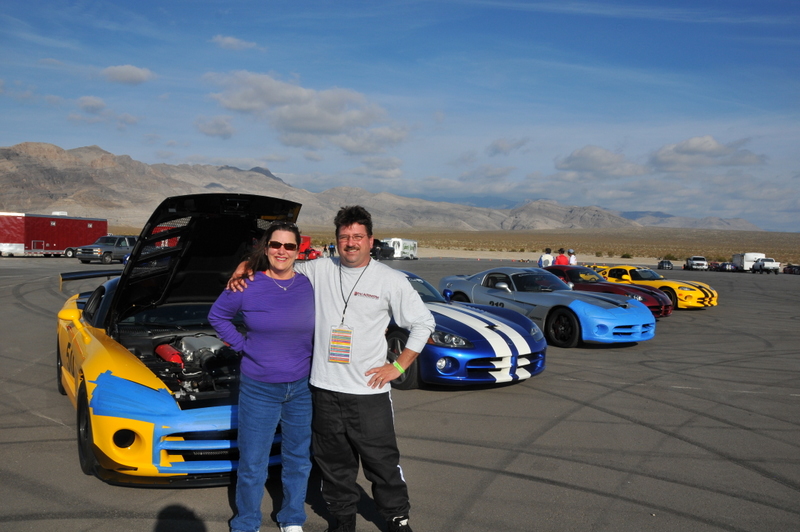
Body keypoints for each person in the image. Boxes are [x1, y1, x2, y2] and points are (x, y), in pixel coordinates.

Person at [230, 206, 435, 532]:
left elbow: (424, 323)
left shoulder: (391, 280)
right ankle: (342, 520)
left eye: (358, 237)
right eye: (344, 237)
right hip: (323, 390)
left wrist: (398, 366)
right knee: (334, 465)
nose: (351, 243)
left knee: (381, 463)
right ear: (336, 240)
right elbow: (279, 260)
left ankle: (397, 518)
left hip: (368, 392)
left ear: (370, 240)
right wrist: (245, 265)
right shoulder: (319, 269)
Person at [209, 222, 315, 532]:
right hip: (259, 388)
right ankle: (246, 522)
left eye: (289, 246)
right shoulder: (247, 284)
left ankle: (292, 518)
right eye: (275, 245)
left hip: (301, 387)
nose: (282, 251)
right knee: (253, 462)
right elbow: (218, 316)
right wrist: (243, 345)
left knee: (298, 459)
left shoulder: (309, 283)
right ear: (266, 248)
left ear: (298, 250)